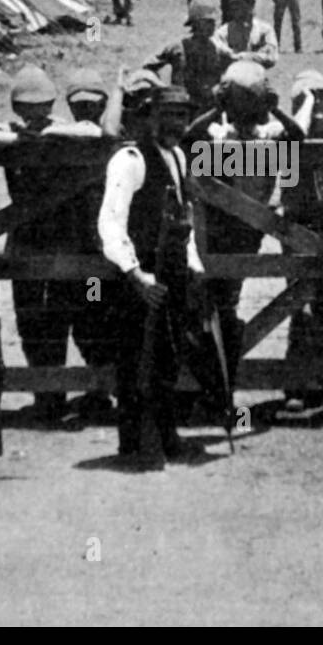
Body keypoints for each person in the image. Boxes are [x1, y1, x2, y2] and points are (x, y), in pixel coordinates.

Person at [97, 85, 208, 470]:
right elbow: (111, 223)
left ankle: (165, 435)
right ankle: (134, 445)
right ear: (148, 116)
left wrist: (192, 265)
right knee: (134, 361)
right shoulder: (129, 160)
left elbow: (184, 219)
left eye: (182, 115)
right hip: (139, 278)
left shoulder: (177, 156)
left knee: (166, 358)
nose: (175, 122)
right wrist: (135, 275)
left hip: (171, 275)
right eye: (167, 114)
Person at [185, 62, 306, 395]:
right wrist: (273, 108)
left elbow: (191, 136)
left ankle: (218, 383)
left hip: (236, 229)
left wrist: (218, 107)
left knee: (220, 303)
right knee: (219, 304)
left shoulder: (229, 138)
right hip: (231, 228)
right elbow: (190, 137)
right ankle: (217, 381)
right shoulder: (249, 140)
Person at [0, 65, 94, 421]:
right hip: (25, 235)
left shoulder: (64, 129)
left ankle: (75, 389)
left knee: (68, 312)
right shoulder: (6, 130)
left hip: (63, 234)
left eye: (42, 104)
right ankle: (46, 394)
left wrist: (42, 135)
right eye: (28, 106)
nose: (36, 112)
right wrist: (23, 137)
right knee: (29, 316)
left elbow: (88, 132)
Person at [279, 70, 323, 411]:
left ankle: (317, 378)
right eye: (311, 98)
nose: (320, 104)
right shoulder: (290, 141)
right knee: (301, 306)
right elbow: (296, 142)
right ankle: (295, 383)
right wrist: (304, 104)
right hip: (299, 231)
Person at [142, 0, 232, 117]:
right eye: (207, 22)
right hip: (180, 107)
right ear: (195, 23)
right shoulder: (177, 47)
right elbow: (148, 66)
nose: (212, 26)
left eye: (213, 22)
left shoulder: (218, 49)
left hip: (208, 109)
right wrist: (162, 87)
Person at [212, 0, 279, 68]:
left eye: (246, 5)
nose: (242, 11)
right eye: (237, 6)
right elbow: (216, 51)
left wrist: (244, 56)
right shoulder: (223, 32)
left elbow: (271, 56)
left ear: (252, 5)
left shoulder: (265, 30)